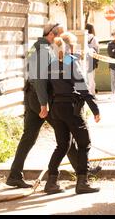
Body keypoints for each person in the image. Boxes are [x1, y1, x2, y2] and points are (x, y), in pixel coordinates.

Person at [6, 22, 100, 188]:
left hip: (32, 95)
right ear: (51, 34)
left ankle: (14, 174)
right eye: (59, 36)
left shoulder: (38, 47)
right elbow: (41, 80)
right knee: (64, 133)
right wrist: (44, 104)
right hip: (39, 97)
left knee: (29, 136)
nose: (61, 40)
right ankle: (82, 172)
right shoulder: (44, 51)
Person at [44, 32, 101, 194]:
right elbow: (82, 87)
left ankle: (51, 182)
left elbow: (48, 88)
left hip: (56, 109)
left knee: (62, 146)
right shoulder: (71, 61)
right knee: (84, 143)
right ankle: (82, 182)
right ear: (70, 46)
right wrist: (95, 109)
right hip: (71, 108)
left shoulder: (51, 64)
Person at [85, 23, 99, 97]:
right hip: (91, 59)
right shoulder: (94, 38)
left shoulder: (84, 37)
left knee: (85, 76)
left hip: (84, 59)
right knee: (91, 77)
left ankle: (86, 93)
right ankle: (92, 93)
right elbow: (97, 49)